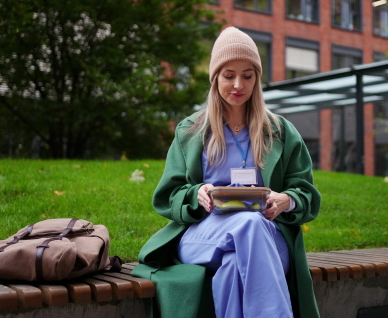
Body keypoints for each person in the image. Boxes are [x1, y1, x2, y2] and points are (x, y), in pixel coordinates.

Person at [131, 26, 321, 318]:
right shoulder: (191, 131)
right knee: (248, 224)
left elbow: (306, 193)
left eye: (247, 75)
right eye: (228, 75)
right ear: (215, 78)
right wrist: (198, 193)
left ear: (257, 79)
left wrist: (287, 200)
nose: (238, 84)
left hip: (268, 239)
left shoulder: (280, 131)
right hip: (203, 235)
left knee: (236, 263)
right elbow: (168, 196)